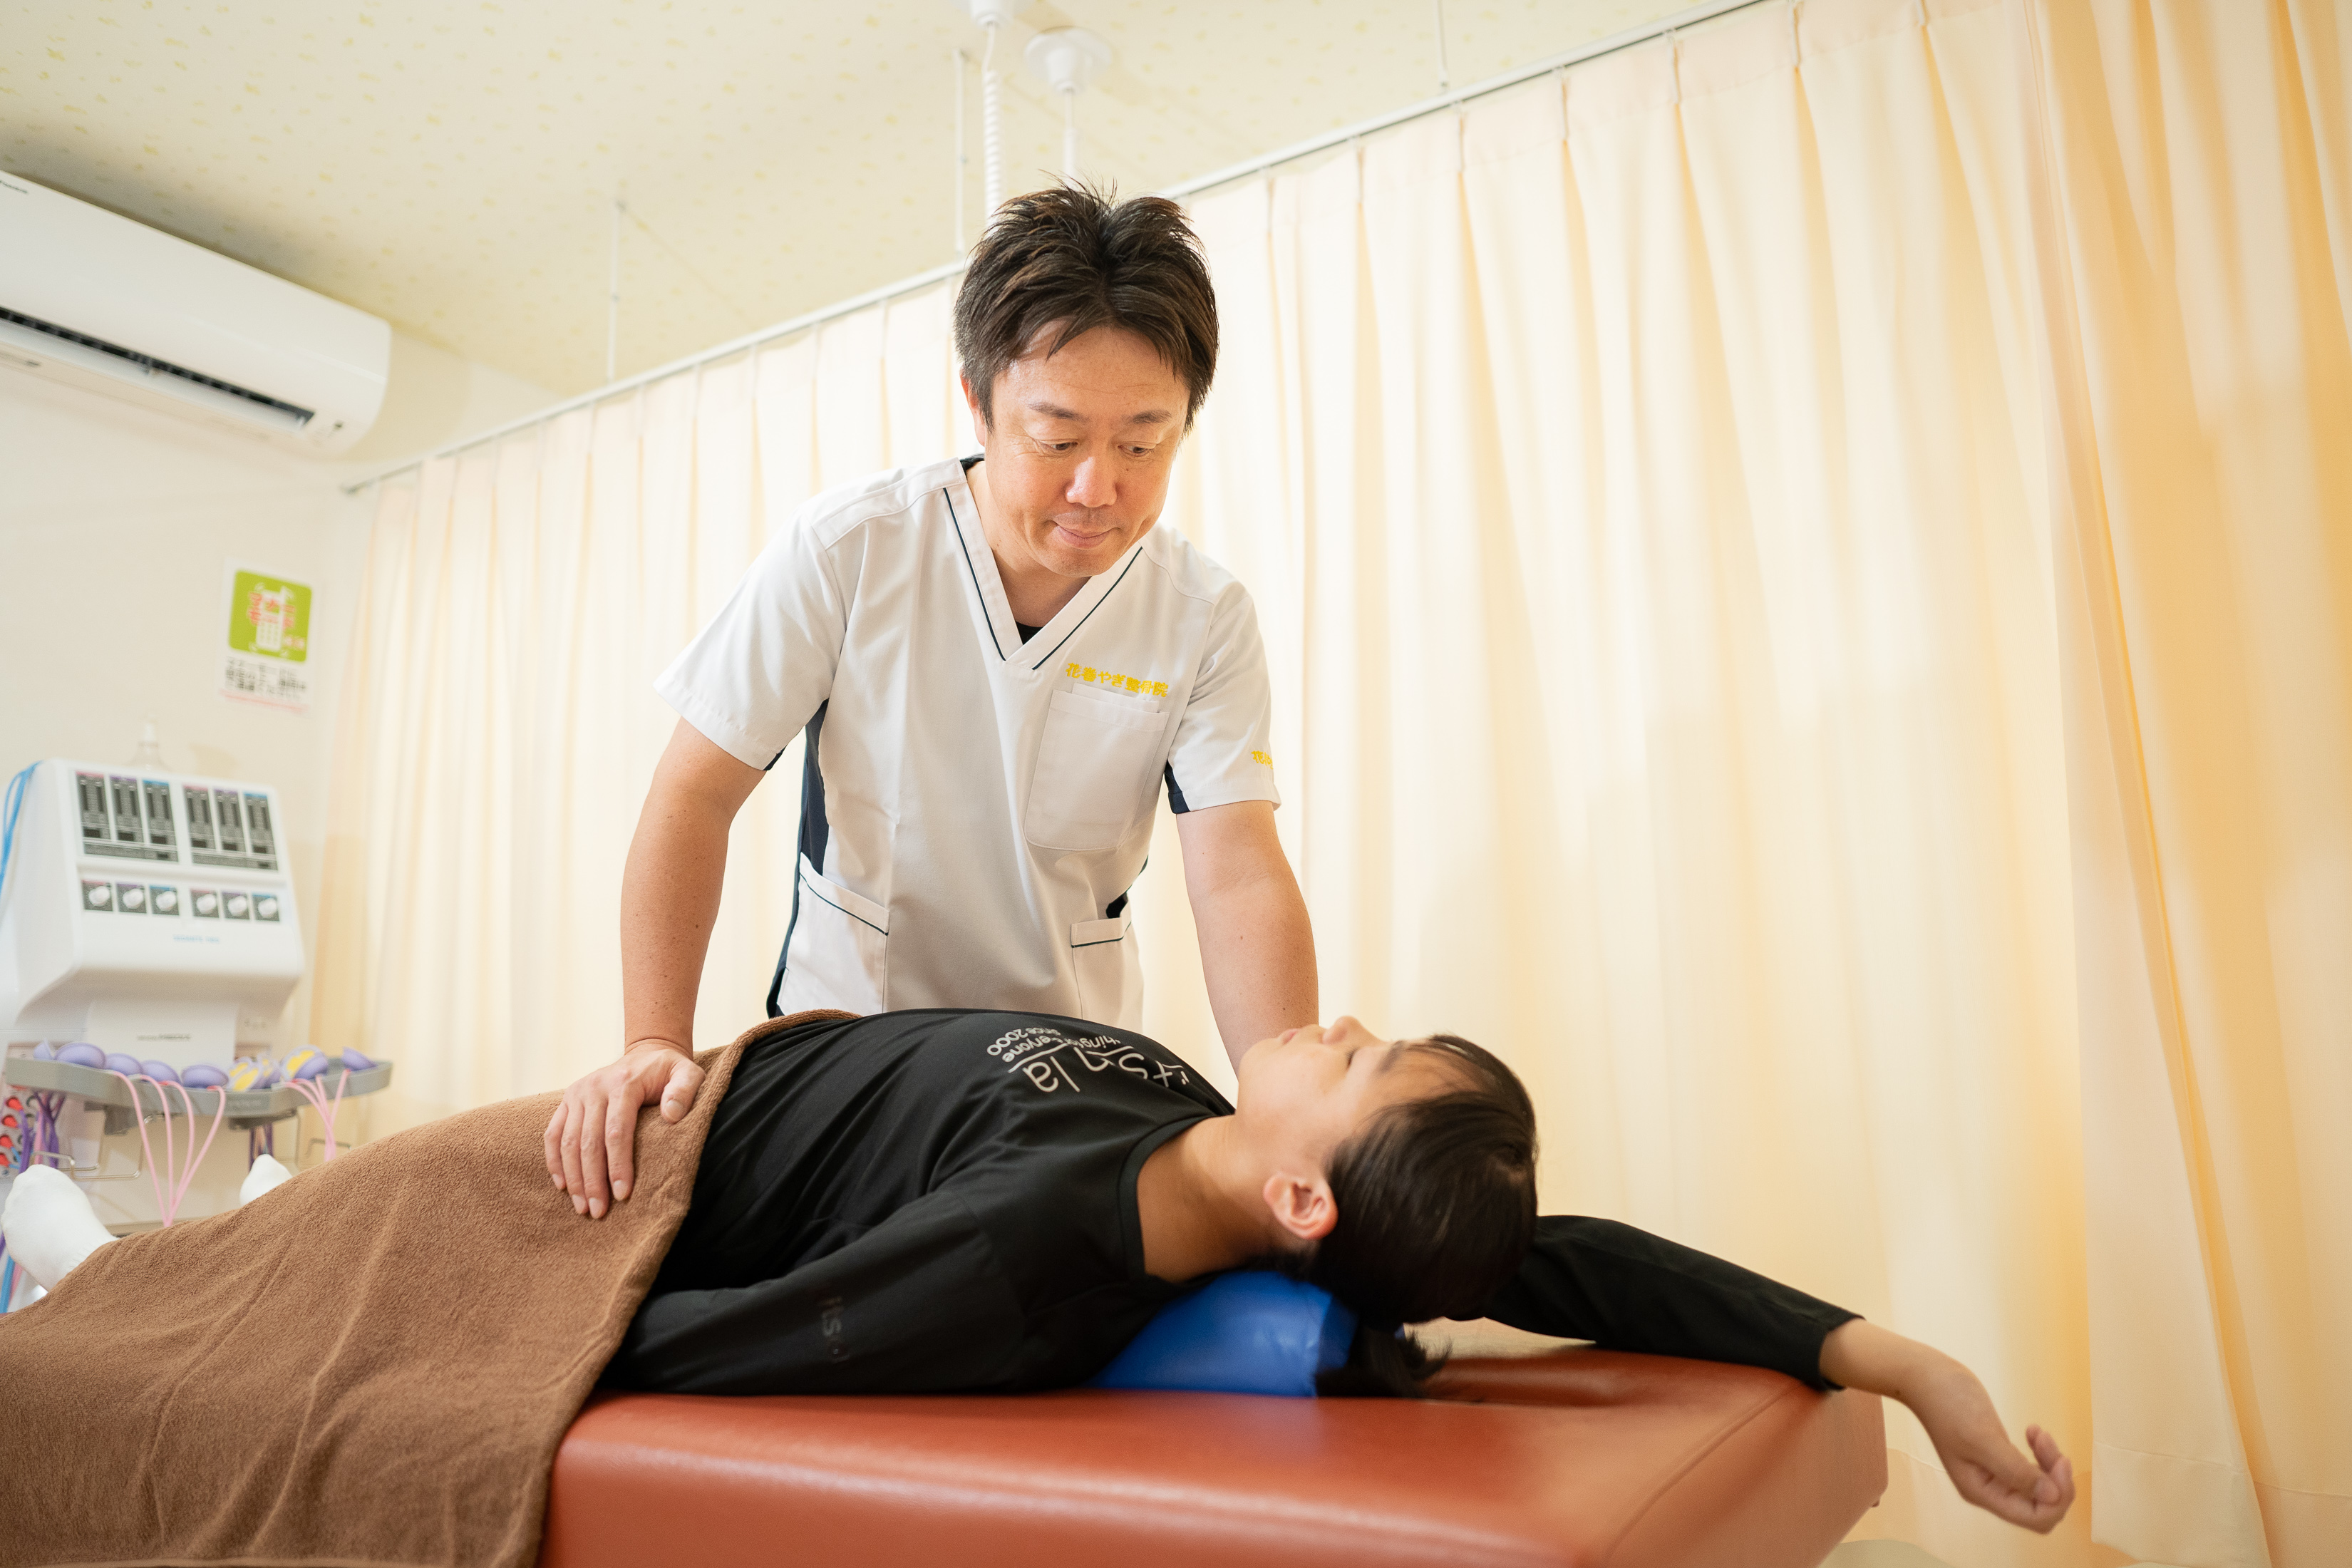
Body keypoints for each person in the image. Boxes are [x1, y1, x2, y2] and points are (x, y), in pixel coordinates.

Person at [6, 1007, 2075, 1535]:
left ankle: (62, 1257)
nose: (1335, 1027)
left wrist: (465, 1354)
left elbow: (700, 1359)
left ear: (1300, 1214)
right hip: (683, 1090)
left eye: (1355, 1062)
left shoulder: (1020, 1260)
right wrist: (1899, 1362)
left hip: (589, 1195)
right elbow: (1582, 1263)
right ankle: (91, 1245)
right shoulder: (1225, 1153)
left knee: (208, 1316)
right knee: (217, 1258)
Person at [550, 184, 1316, 1219]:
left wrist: (1286, 1112)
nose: (1100, 487)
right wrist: (653, 1044)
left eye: (1144, 444)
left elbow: (1238, 878)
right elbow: (693, 795)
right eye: (1057, 439)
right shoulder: (852, 550)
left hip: (1067, 1072)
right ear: (978, 402)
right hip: (851, 1059)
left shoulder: (1202, 617)